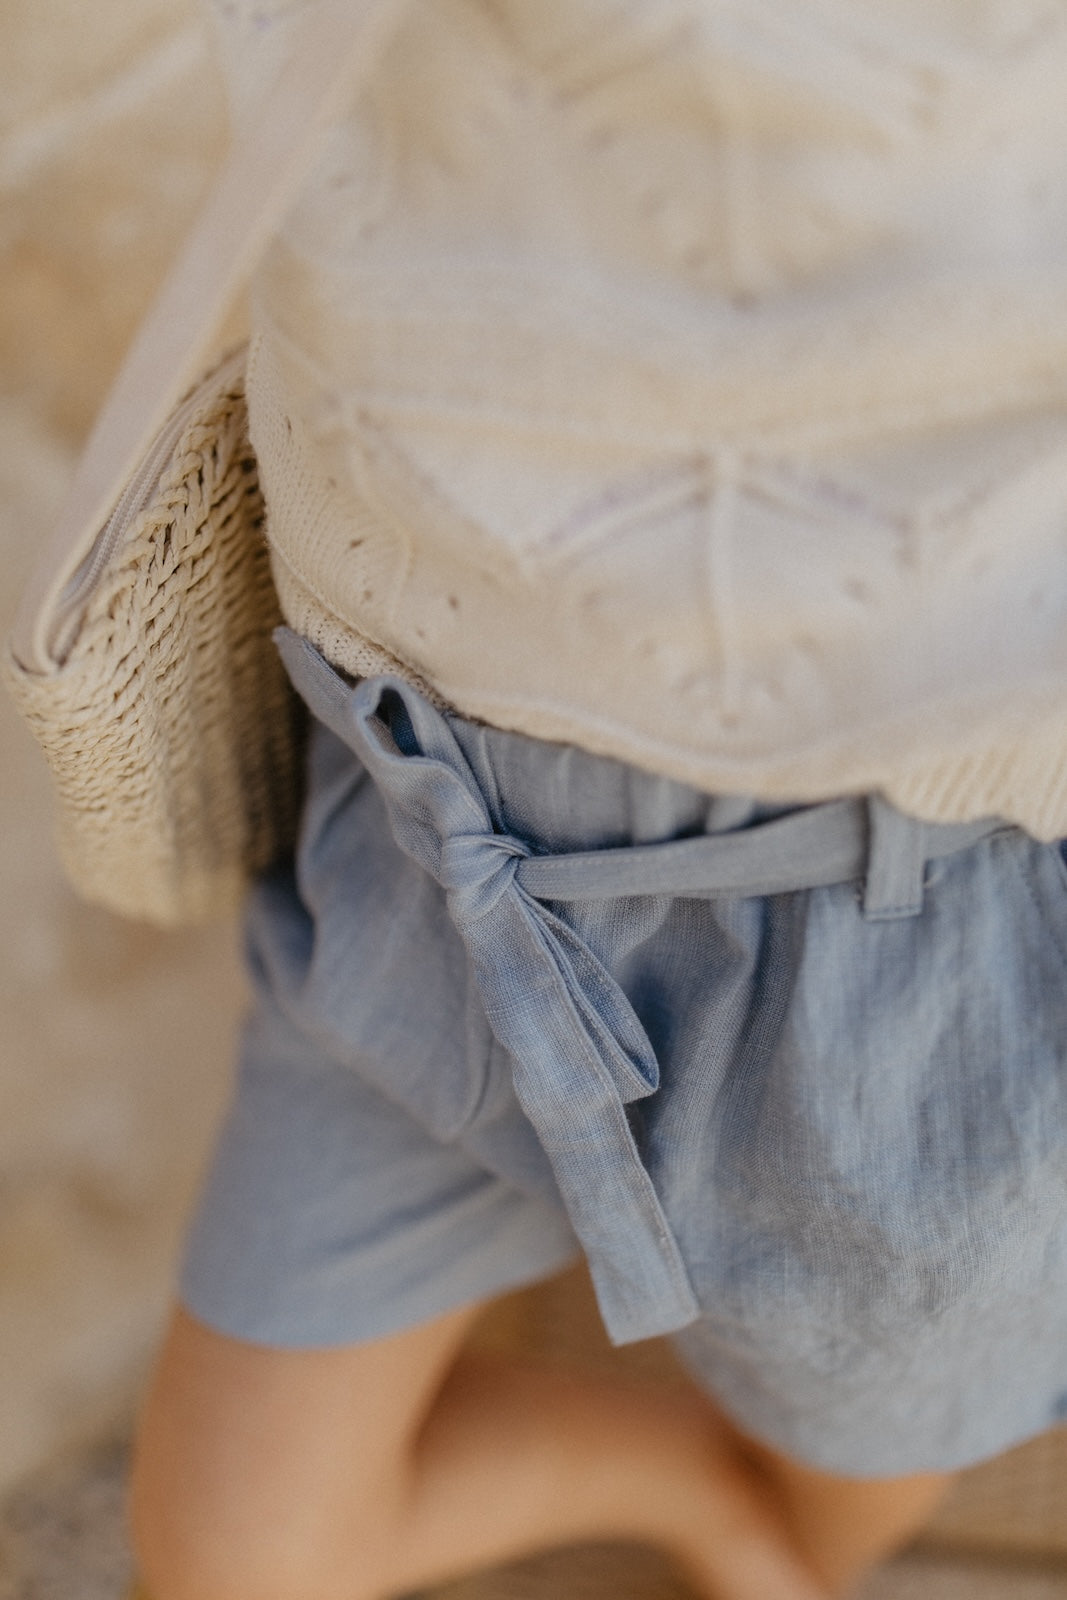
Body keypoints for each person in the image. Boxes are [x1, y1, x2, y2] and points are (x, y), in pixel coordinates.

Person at [128, 2, 1067, 1597]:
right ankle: (703, 1488)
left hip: (893, 957)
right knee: (234, 1561)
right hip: (432, 849)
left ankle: (757, 1507)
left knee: (854, 1502)